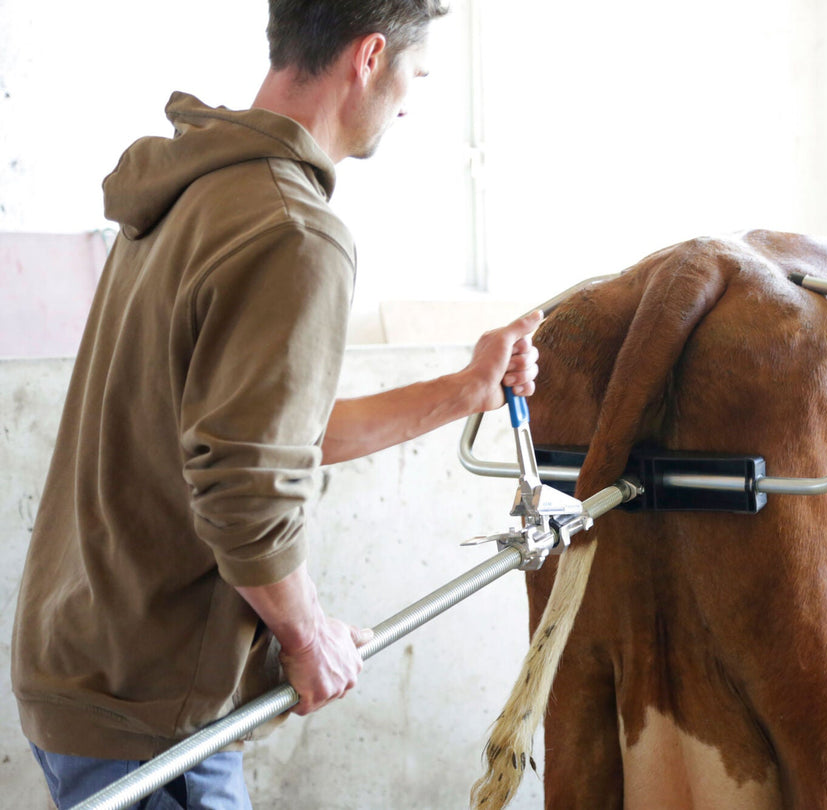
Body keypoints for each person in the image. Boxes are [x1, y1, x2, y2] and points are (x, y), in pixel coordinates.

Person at [10, 1, 540, 807]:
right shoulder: (294, 229)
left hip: (84, 660)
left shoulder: (200, 188)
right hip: (150, 712)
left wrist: (462, 391)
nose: (410, 101)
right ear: (370, 58)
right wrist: (306, 633)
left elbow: (268, 437)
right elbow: (246, 489)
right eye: (415, 75)